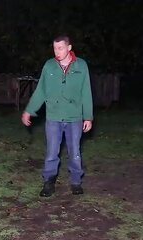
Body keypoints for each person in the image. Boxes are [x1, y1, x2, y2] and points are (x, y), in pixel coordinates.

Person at [21, 35, 93, 197]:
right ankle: (49, 182)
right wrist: (29, 110)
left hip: (75, 117)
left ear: (69, 48)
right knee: (52, 151)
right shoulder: (49, 66)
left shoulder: (81, 66)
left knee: (74, 151)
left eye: (60, 48)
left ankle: (76, 182)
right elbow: (41, 91)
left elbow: (86, 92)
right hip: (53, 116)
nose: (57, 52)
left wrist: (88, 116)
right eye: (55, 48)